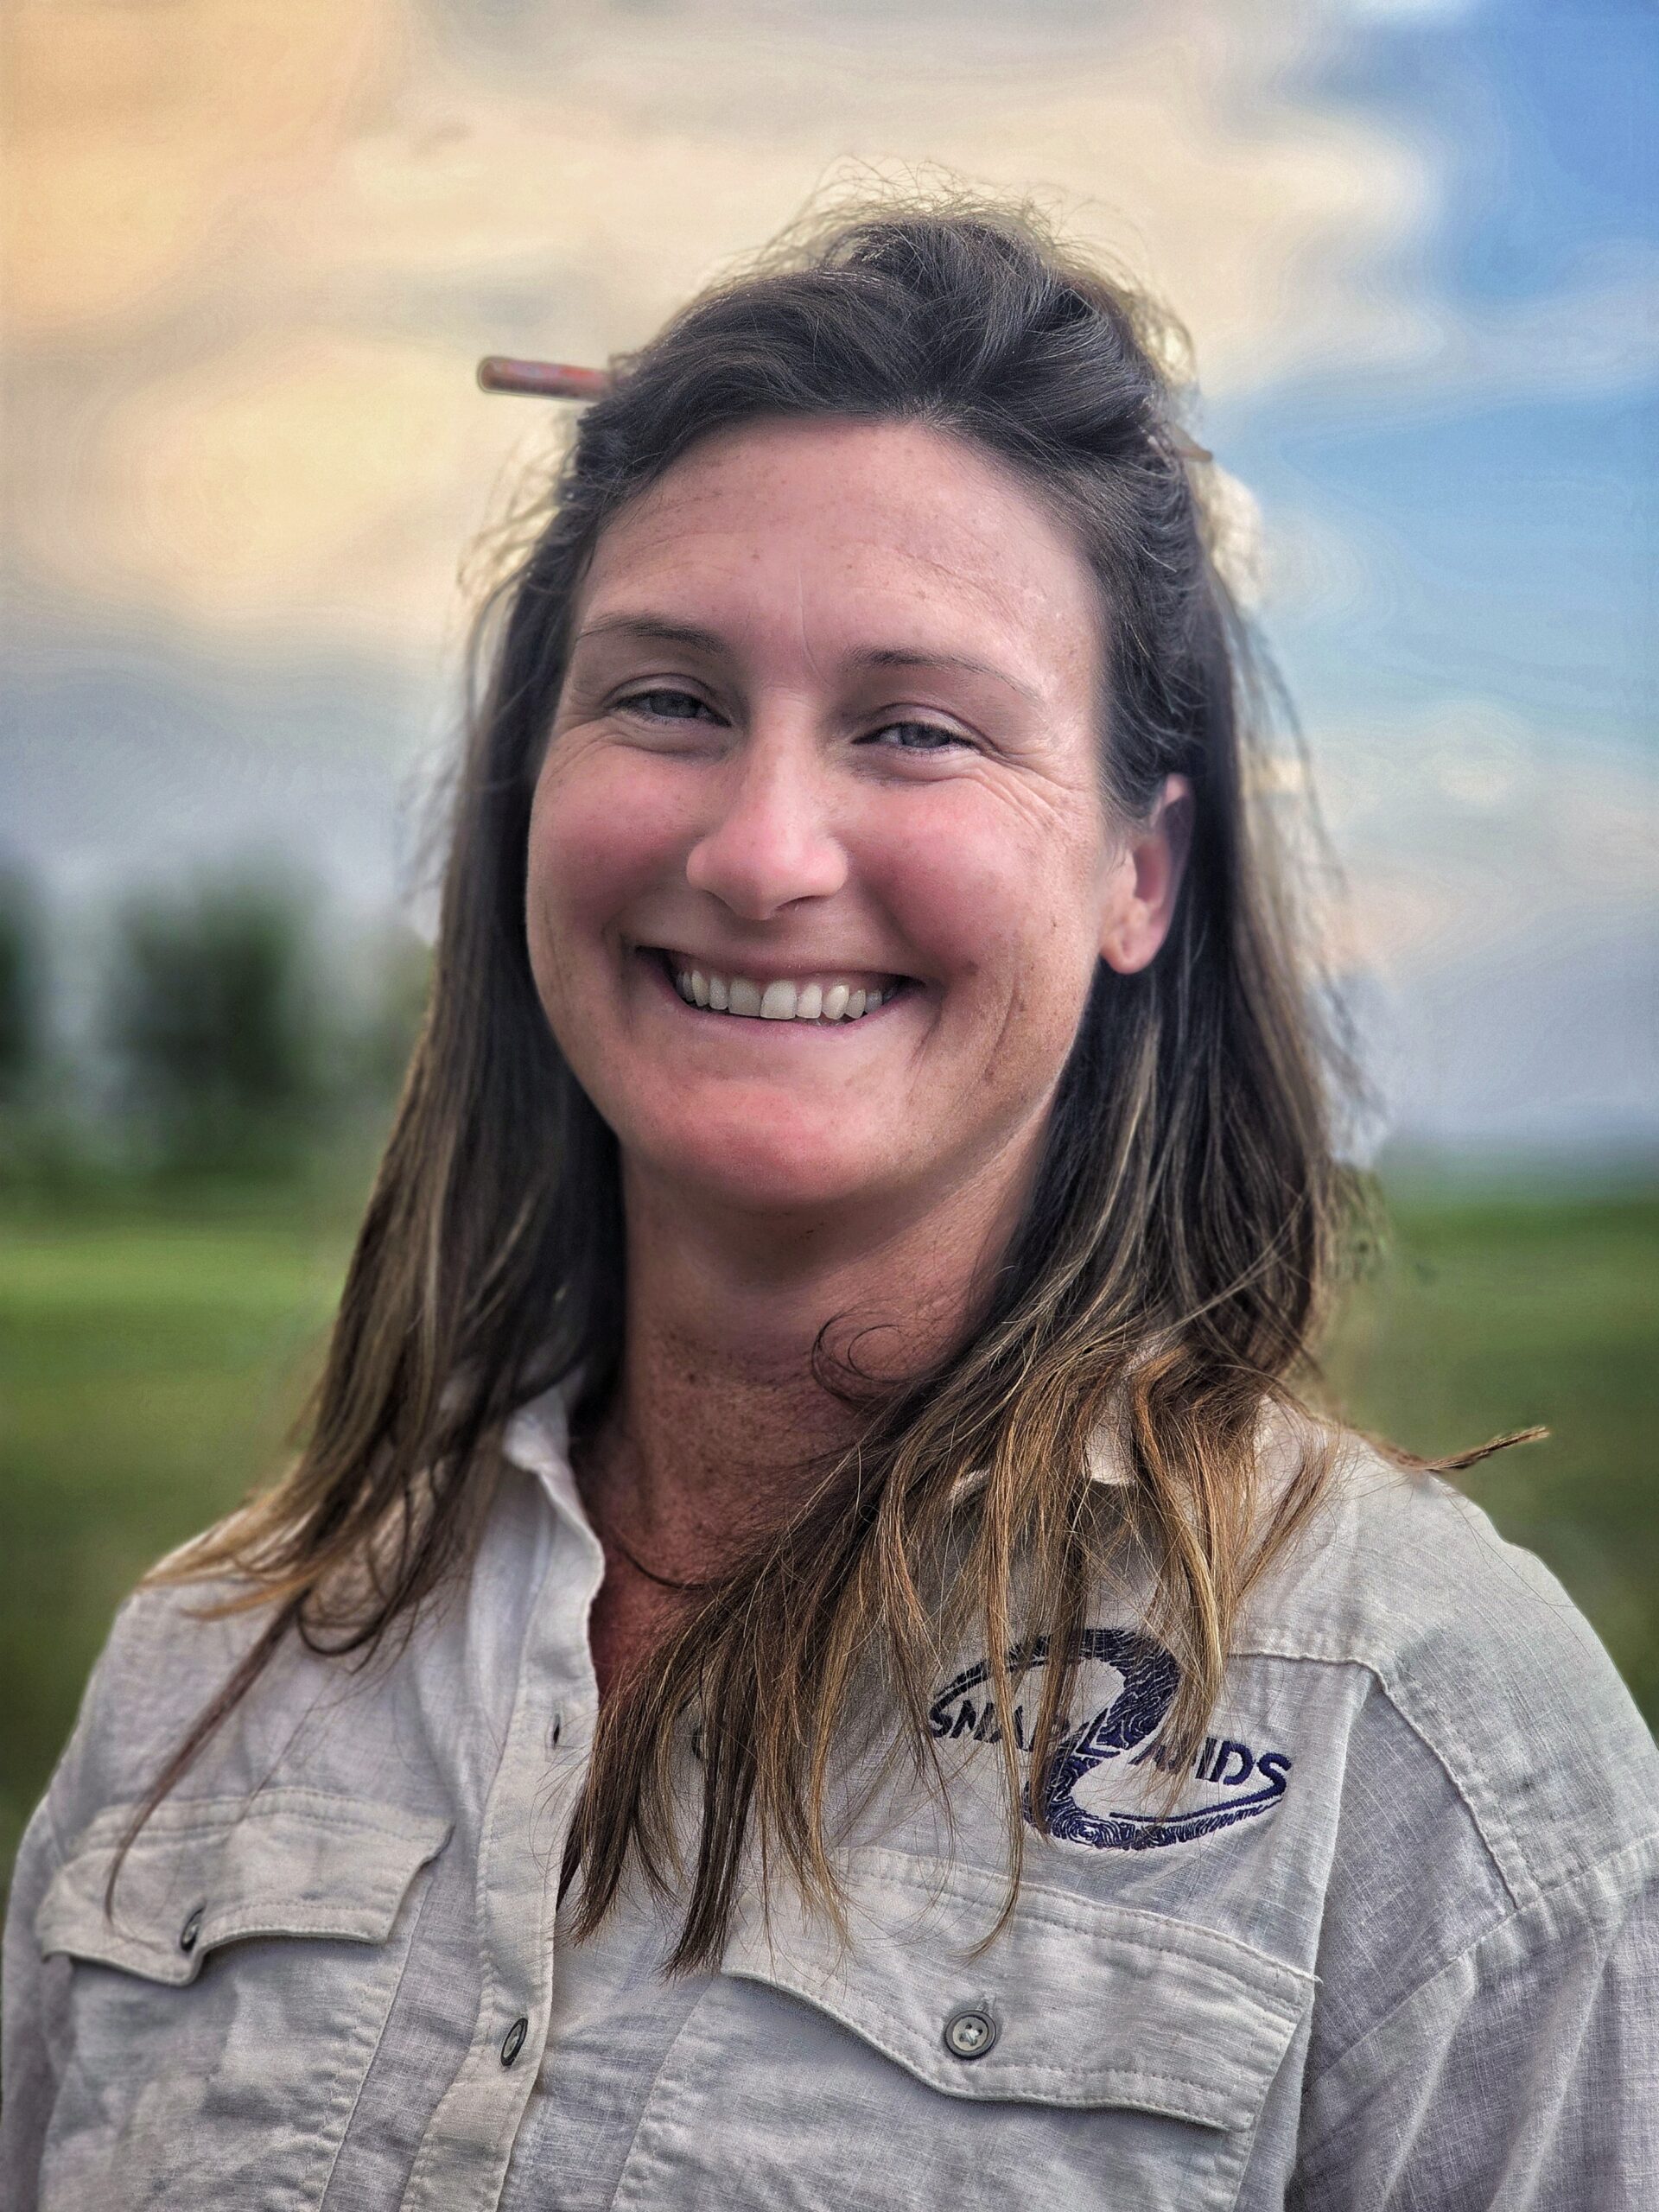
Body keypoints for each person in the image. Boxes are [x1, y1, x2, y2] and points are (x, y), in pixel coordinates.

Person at [3, 195, 1655, 2212]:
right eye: (669, 699)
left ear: (1140, 871)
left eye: (916, 728)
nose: (763, 849)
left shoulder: (1423, 1740)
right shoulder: (207, 1665)